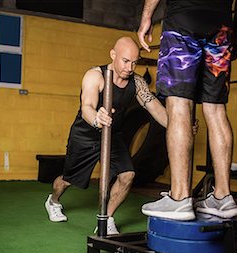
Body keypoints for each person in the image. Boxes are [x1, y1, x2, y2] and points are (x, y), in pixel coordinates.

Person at [137, 0, 237, 220]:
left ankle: (179, 198)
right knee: (217, 109)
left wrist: (146, 17)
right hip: (221, 24)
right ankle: (223, 196)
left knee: (179, 105)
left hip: (183, 20)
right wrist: (235, 35)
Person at [44, 37, 170, 235]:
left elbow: (154, 107)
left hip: (113, 135)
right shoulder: (95, 76)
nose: (130, 67)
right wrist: (97, 119)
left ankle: (108, 218)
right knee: (69, 179)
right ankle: (53, 201)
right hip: (86, 134)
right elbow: (87, 107)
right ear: (113, 55)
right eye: (125, 61)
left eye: (135, 62)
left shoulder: (136, 83)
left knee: (127, 175)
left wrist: (178, 128)